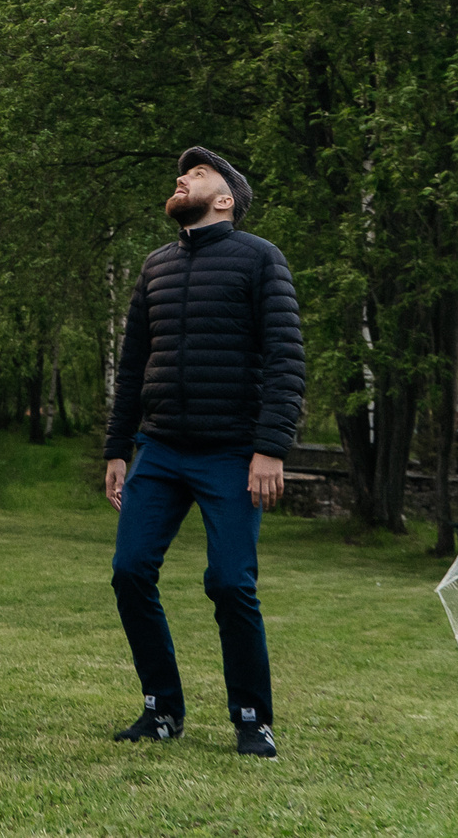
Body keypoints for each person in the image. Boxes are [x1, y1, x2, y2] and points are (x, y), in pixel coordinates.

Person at [102, 148, 306, 758]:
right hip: (160, 449)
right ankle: (161, 709)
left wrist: (270, 448)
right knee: (130, 571)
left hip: (233, 453)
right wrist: (117, 449)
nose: (181, 178)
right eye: (182, 172)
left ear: (224, 200)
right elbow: (132, 366)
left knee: (230, 583)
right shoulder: (155, 266)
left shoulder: (260, 258)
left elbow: (286, 358)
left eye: (197, 173)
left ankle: (252, 718)